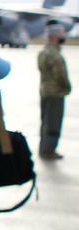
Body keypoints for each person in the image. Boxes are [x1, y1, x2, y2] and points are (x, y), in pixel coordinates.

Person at [38, 21, 71, 160]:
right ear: (55, 36)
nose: (63, 36)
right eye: (61, 34)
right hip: (55, 93)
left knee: (45, 121)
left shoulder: (44, 52)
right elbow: (60, 75)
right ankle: (48, 150)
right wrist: (66, 88)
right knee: (53, 122)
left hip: (44, 91)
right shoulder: (55, 55)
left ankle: (43, 147)